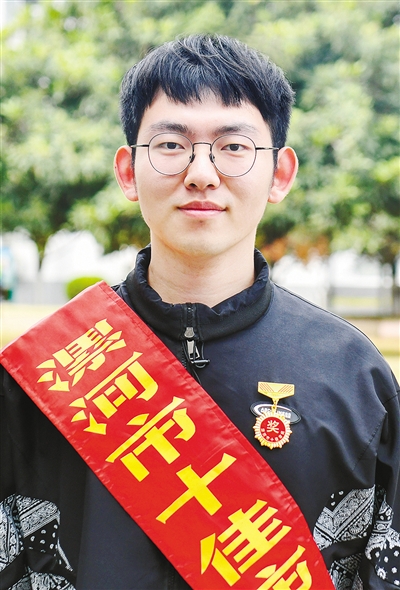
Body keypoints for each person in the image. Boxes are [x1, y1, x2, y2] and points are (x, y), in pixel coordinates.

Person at [1, 34, 399, 590]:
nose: (201, 172)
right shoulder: (45, 374)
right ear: (128, 171)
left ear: (280, 173)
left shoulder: (352, 376)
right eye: (170, 144)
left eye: (234, 146)